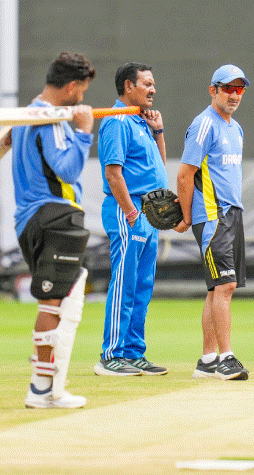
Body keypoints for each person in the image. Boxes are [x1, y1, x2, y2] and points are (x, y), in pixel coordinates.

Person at [14, 52, 95, 408]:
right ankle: (42, 389)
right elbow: (66, 169)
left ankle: (49, 386)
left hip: (31, 219)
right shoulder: (49, 119)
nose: (82, 98)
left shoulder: (26, 114)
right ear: (73, 86)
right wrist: (84, 133)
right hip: (54, 214)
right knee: (55, 299)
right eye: (83, 90)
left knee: (66, 292)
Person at [176, 64, 251, 381]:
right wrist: (186, 216)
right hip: (212, 215)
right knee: (226, 285)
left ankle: (207, 360)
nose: (233, 94)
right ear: (213, 90)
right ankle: (226, 357)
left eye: (239, 89)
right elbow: (185, 174)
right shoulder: (204, 124)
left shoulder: (235, 129)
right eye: (227, 88)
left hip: (232, 212)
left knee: (216, 288)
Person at [94, 62, 169, 376]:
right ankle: (110, 356)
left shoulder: (141, 122)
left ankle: (134, 353)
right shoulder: (117, 121)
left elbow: (159, 169)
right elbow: (114, 174)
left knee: (142, 286)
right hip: (129, 211)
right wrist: (131, 213)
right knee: (124, 283)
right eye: (146, 84)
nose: (152, 89)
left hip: (147, 212)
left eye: (153, 84)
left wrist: (159, 132)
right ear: (128, 86)